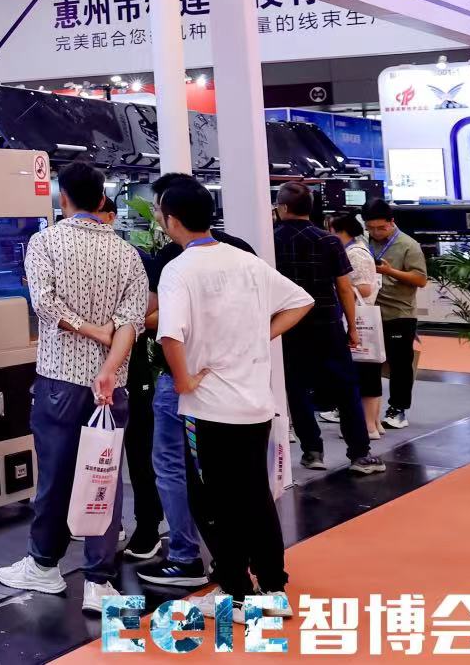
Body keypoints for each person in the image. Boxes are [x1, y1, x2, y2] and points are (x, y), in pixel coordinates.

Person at [0, 162, 150, 616]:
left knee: (55, 476)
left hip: (59, 380)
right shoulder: (127, 253)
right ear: (102, 199)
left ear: (63, 198)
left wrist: (87, 329)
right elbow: (132, 322)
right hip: (111, 387)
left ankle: (44, 565)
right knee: (104, 477)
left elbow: (43, 303)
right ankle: (99, 582)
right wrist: (110, 364)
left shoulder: (44, 242)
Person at [154, 178, 315, 613]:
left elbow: (170, 334)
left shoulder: (179, 270)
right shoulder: (246, 261)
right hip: (254, 401)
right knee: (254, 495)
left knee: (212, 500)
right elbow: (301, 302)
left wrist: (183, 381)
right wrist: (260, 336)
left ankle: (235, 591)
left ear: (172, 220)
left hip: (209, 407)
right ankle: (274, 587)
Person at [133, 173, 250, 589]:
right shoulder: (242, 251)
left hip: (182, 380)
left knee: (172, 465)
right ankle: (238, 560)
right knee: (235, 472)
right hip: (237, 380)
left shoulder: (172, 259)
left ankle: (186, 556)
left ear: (172, 215)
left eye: (159, 209)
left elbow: (156, 320)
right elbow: (279, 307)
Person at [270, 183, 381, 474]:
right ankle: (360, 454)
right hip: (327, 324)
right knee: (346, 387)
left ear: (282, 208)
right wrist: (352, 328)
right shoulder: (329, 241)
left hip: (288, 325)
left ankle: (312, 451)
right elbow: (344, 288)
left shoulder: (271, 241)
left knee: (296, 388)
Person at [104, 191, 164, 564]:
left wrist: (128, 324)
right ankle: (108, 525)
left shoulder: (137, 258)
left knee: (139, 453)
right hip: (94, 372)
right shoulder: (72, 255)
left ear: (112, 217)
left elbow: (159, 305)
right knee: (101, 452)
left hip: (133, 368)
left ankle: (148, 526)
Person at [361, 200, 428, 428]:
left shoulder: (408, 245)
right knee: (366, 363)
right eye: (371, 228)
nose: (376, 233)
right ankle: (365, 409)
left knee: (400, 364)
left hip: (399, 313)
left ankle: (398, 409)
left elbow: (420, 279)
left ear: (392, 222)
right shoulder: (364, 242)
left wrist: (390, 271)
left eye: (381, 228)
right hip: (368, 313)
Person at [327, 212, 384, 440]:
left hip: (359, 319)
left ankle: (367, 425)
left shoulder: (354, 253)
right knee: (368, 371)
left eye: (331, 230)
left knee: (364, 373)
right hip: (362, 319)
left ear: (341, 231)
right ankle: (373, 423)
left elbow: (365, 288)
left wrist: (339, 288)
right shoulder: (357, 250)